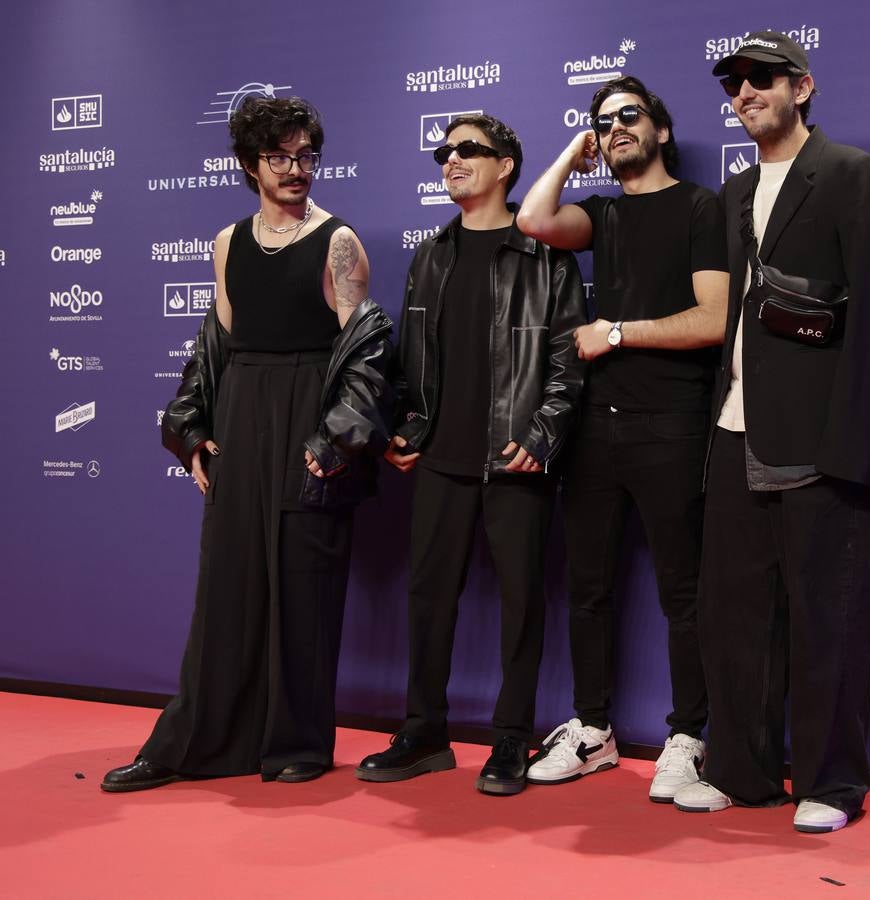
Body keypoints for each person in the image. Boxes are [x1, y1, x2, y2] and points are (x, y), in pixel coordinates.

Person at [101, 97, 394, 792]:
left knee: (303, 587)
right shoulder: (228, 243)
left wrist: (336, 437)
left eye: (305, 155)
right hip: (241, 417)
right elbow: (215, 346)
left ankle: (296, 741)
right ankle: (194, 740)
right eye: (279, 157)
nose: (296, 170)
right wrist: (194, 431)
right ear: (249, 166)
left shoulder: (339, 241)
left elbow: (367, 354)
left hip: (305, 423)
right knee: (226, 591)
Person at [671, 32, 870, 832]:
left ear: (801, 86)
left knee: (828, 618)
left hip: (821, 441)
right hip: (735, 431)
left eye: (761, 79)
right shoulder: (735, 193)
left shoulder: (853, 175)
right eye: (733, 83)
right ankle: (740, 773)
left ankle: (831, 784)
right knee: (733, 616)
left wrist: (853, 450)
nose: (744, 92)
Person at [355, 114, 586, 795]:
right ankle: (424, 732)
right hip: (442, 461)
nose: (450, 161)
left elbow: (569, 358)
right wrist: (405, 427)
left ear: (506, 165)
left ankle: (511, 739)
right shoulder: (431, 254)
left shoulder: (545, 253)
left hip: (516, 458)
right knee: (429, 600)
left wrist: (543, 434)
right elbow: (410, 364)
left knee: (521, 603)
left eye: (467, 151)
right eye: (443, 152)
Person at [516, 76, 729, 801]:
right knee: (588, 588)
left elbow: (712, 319)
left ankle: (688, 736)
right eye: (601, 123)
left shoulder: (702, 207)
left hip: (672, 424)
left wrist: (615, 331)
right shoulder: (601, 214)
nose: (614, 130)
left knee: (684, 592)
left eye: (628, 116)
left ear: (661, 130)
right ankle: (593, 730)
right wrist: (572, 153)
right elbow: (534, 221)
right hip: (596, 431)